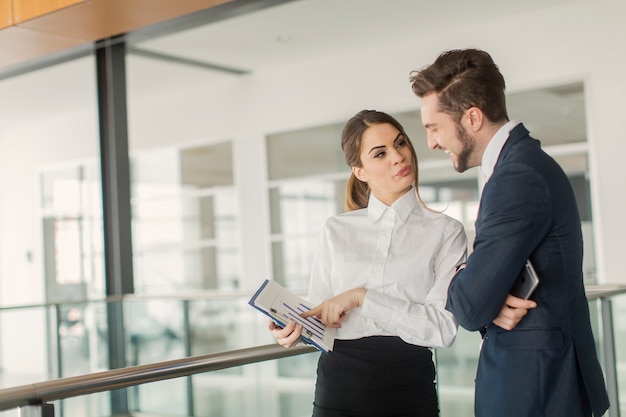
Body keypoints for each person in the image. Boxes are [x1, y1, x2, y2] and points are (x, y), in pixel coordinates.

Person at [409, 48, 610, 417]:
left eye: (433, 127)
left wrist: (454, 274)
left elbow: (470, 307)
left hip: (536, 391)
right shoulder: (520, 166)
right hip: (542, 384)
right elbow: (483, 299)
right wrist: (488, 298)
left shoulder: (515, 177)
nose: (432, 143)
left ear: (471, 117)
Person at [269, 109, 467, 417]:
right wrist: (294, 328)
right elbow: (324, 317)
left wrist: (362, 297)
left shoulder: (446, 232)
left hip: (409, 386)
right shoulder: (336, 229)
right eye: (380, 153)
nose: (398, 157)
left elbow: (442, 329)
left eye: (400, 144)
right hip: (339, 386)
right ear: (359, 170)